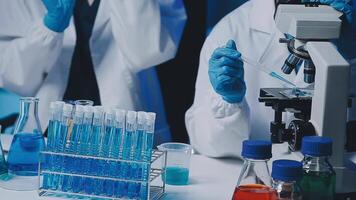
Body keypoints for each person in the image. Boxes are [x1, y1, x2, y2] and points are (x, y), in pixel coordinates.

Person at [0, 0, 186, 144]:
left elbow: (147, 52)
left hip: (123, 132)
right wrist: (49, 28)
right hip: (49, 132)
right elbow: (13, 76)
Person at [186, 0, 356, 158]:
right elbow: (205, 142)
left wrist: (351, 56)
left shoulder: (351, 24)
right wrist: (230, 101)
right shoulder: (233, 30)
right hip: (257, 174)